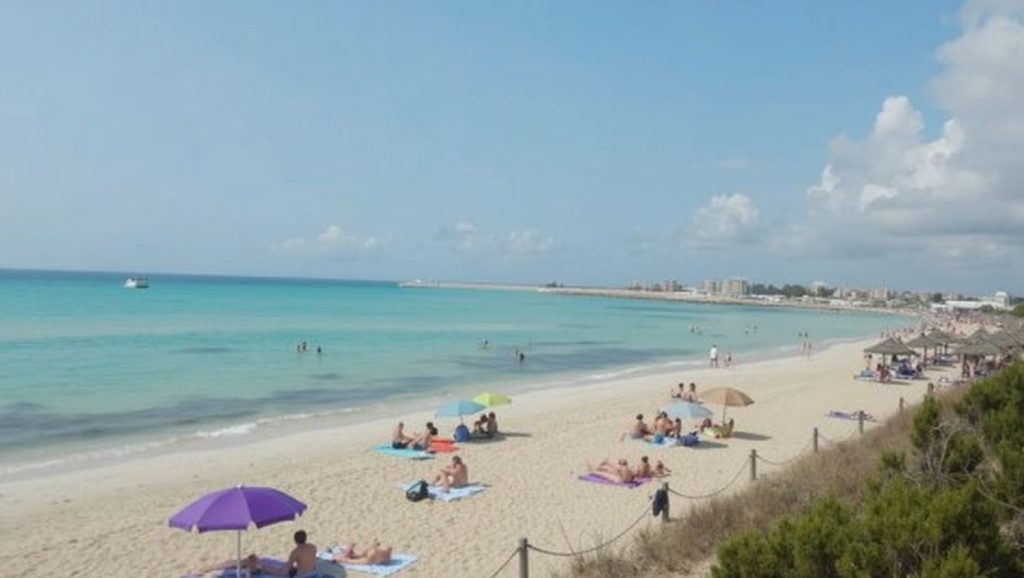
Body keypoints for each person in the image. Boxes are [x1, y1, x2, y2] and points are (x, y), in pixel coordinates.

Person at [195, 530, 317, 577]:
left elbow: (284, 572)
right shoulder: (313, 547)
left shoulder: (296, 551)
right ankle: (256, 563)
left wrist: (262, 567)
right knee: (252, 562)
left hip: (297, 574)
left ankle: (256, 563)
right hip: (306, 573)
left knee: (252, 562)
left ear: (295, 540)